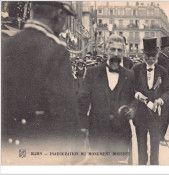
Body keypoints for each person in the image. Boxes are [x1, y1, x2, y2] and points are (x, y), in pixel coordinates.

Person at [1, 2, 84, 164]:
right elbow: (65, 110)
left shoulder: (7, 45)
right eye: (66, 17)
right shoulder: (56, 50)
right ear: (59, 15)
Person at [78, 34, 136, 165]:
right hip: (97, 134)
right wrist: (83, 130)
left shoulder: (130, 75)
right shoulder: (92, 73)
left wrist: (132, 110)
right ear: (106, 50)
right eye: (112, 49)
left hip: (121, 135)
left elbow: (133, 99)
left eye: (119, 50)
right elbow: (82, 103)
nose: (116, 53)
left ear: (124, 52)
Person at [132, 38, 169, 165]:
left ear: (157, 55)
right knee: (141, 143)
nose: (150, 58)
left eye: (153, 55)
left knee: (155, 143)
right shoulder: (136, 69)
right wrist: (137, 94)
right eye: (147, 55)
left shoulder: (162, 71)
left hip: (155, 114)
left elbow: (168, 91)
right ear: (143, 55)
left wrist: (160, 100)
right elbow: (129, 88)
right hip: (140, 113)